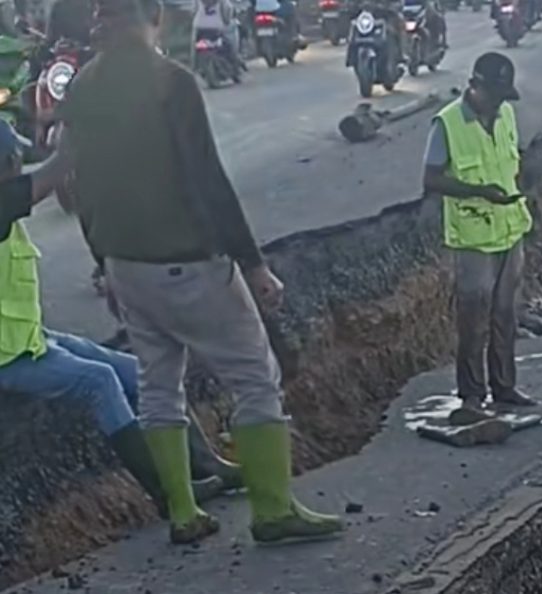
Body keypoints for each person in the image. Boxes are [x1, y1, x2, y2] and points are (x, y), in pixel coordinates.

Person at [8, 0, 342, 546]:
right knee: (256, 380)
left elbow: (81, 188)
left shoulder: (84, 86)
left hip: (126, 267)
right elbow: (207, 180)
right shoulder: (171, 81)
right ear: (155, 18)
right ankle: (273, 509)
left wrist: (105, 266)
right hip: (189, 262)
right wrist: (254, 264)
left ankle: (184, 513)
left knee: (160, 387)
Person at [0, 121, 236, 520]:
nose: (19, 164)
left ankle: (205, 467)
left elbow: (42, 172)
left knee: (136, 372)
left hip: (24, 338)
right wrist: (75, 143)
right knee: (99, 382)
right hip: (8, 355)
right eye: (13, 160)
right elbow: (46, 176)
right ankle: (169, 496)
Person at [422, 53, 538, 424]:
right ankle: (472, 396)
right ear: (477, 86)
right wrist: (478, 191)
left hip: (510, 229)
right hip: (473, 239)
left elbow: (510, 161)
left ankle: (504, 387)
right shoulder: (448, 123)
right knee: (473, 321)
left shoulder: (505, 114)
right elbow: (431, 179)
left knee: (505, 316)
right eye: (497, 94)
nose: (502, 102)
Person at [193, 0, 244, 71]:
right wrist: (226, 21)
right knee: (229, 45)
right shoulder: (223, 1)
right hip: (216, 27)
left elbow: (194, 11)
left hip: (200, 27)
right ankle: (234, 63)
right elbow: (228, 11)